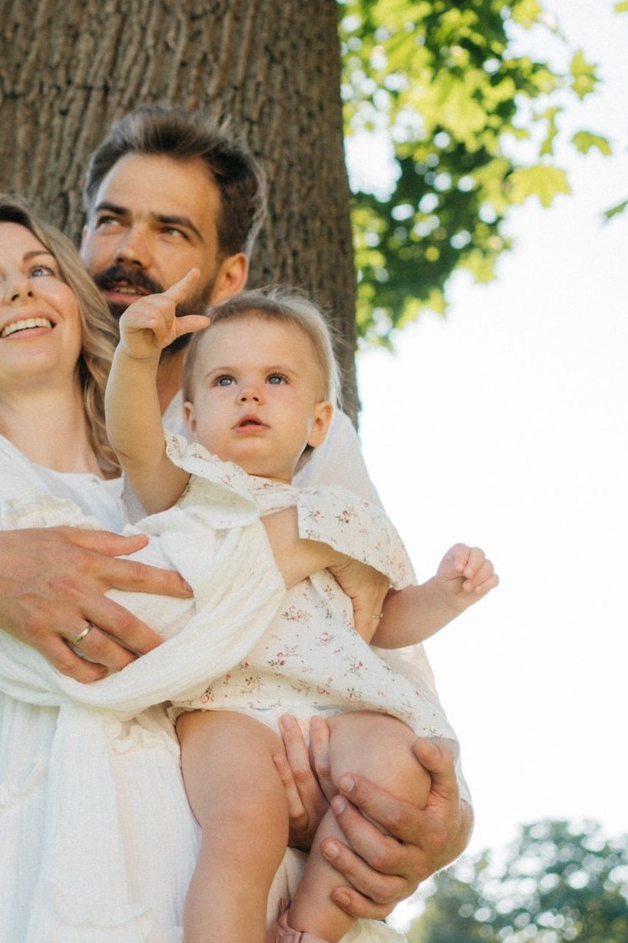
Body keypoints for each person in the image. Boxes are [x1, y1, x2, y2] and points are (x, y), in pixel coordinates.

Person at [0, 107, 474, 917]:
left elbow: (377, 637)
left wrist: (443, 816)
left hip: (270, 864)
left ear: (227, 278)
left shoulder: (289, 433)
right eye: (110, 222)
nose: (131, 251)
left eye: (170, 230)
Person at [0, 193, 347, 939]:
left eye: (40, 269)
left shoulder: (182, 473)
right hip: (48, 890)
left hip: (234, 892)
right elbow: (102, 644)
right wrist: (288, 542)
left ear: (74, 301)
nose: (20, 287)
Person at [105, 276, 497, 942]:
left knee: (401, 766)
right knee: (244, 825)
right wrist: (137, 357)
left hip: (336, 703)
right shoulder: (189, 487)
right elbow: (135, 440)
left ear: (319, 422)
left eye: (276, 380)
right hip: (226, 704)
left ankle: (310, 928)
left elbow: (382, 622)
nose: (250, 393)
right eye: (225, 380)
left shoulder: (343, 517)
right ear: (192, 420)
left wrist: (445, 594)